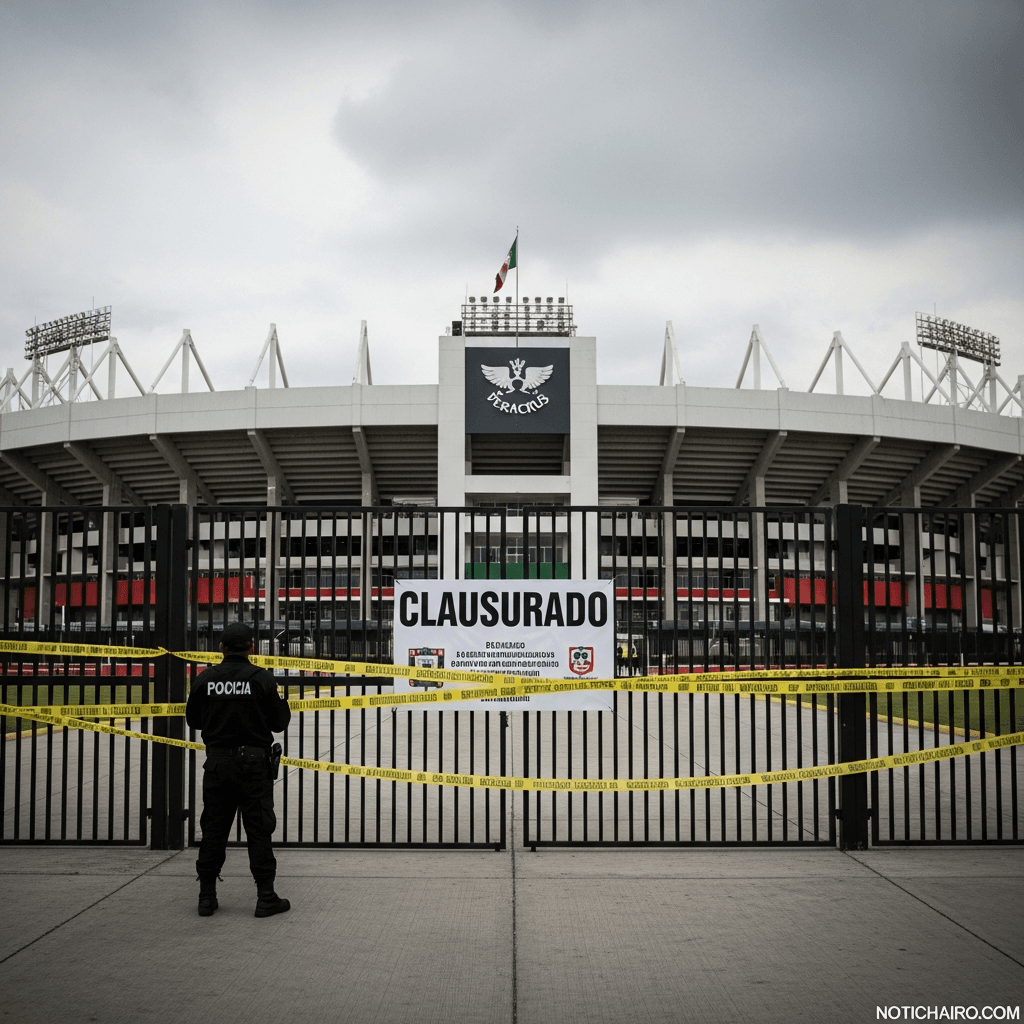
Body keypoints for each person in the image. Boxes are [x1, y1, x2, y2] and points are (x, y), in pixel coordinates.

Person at [186, 621, 292, 918]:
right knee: (259, 829)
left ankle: (206, 896)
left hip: (218, 764)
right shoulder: (262, 678)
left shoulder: (205, 679)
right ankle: (265, 897)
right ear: (251, 648)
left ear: (221, 647)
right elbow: (279, 723)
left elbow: (194, 720)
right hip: (254, 765)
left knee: (214, 829)